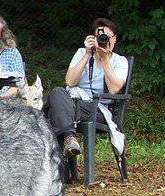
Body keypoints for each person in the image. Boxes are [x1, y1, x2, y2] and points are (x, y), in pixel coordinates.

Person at [43, 18, 129, 156]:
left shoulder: (120, 61)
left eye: (106, 37)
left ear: (114, 39)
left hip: (98, 109)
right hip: (72, 102)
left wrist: (105, 59)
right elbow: (70, 81)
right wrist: (88, 54)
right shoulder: (82, 53)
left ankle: (64, 157)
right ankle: (69, 139)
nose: (103, 40)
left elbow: (114, 89)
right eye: (99, 37)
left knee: (53, 111)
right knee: (58, 92)